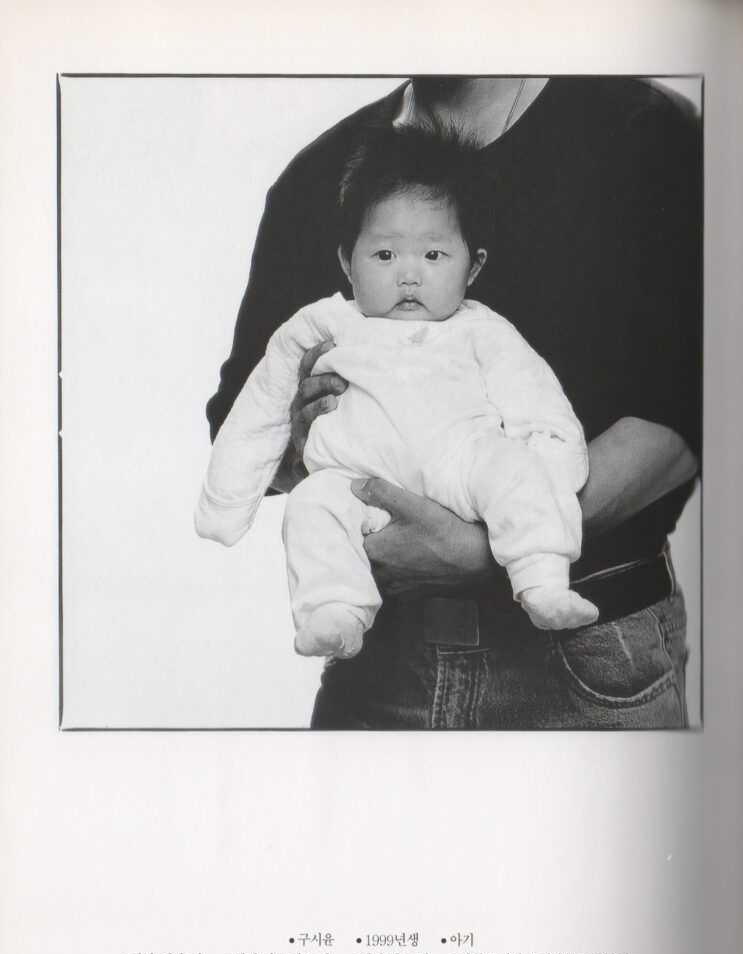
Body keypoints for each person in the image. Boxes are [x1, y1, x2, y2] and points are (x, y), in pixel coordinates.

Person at [206, 77, 701, 729]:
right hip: (379, 662)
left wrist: (488, 547)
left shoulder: (636, 128)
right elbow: (246, 415)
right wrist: (301, 445)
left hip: (585, 657)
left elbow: (694, 401)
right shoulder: (319, 176)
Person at [196, 124, 600, 658]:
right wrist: (224, 503)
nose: (409, 276)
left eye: (433, 256)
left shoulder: (482, 330)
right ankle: (334, 612)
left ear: (473, 266)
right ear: (347, 261)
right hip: (357, 479)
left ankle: (542, 581)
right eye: (385, 256)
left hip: (461, 463)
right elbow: (261, 405)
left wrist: (553, 472)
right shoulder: (325, 323)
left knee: (514, 469)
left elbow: (539, 406)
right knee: (313, 506)